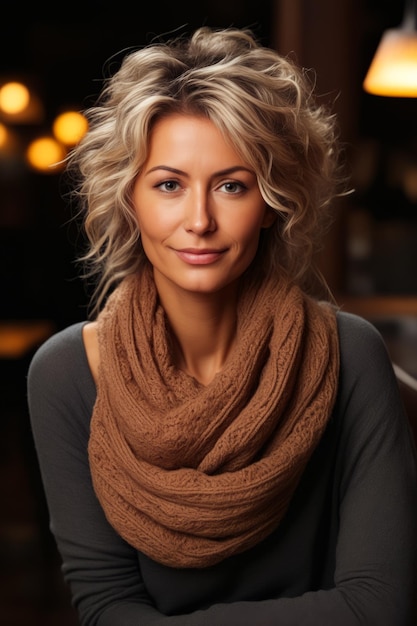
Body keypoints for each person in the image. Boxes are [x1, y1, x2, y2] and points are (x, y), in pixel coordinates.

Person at [27, 26, 417, 626]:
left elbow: (376, 605)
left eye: (231, 186)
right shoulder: (67, 373)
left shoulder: (348, 352)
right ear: (130, 200)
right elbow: (106, 609)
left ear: (271, 202)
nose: (200, 220)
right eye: (169, 185)